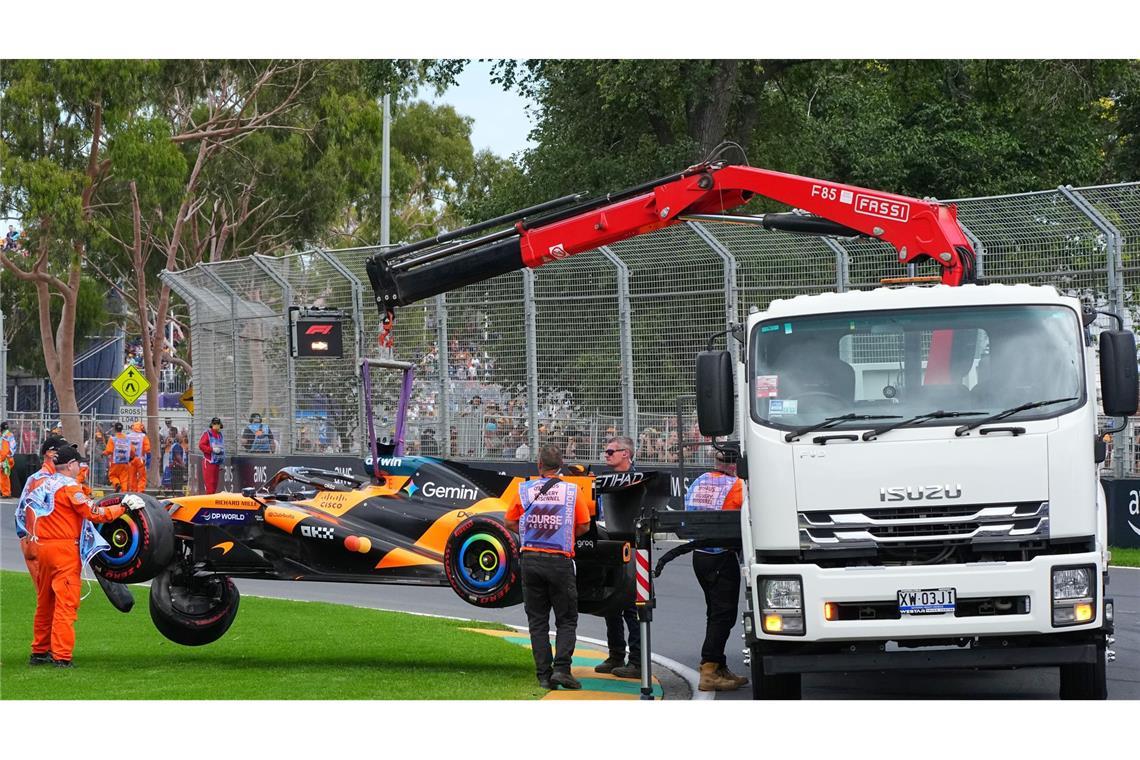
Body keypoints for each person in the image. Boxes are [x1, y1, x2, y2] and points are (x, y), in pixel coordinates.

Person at [24, 445, 136, 667]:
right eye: (79, 463)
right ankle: (62, 657)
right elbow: (93, 513)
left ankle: (39, 651)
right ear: (72, 465)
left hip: (41, 547)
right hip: (63, 550)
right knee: (66, 604)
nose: (81, 467)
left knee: (45, 602)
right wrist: (122, 508)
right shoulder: (69, 488)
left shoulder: (40, 482)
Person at [504, 444, 591, 690]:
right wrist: (562, 531)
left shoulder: (524, 490)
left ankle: (544, 675)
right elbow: (584, 526)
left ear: (539, 465)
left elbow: (509, 522)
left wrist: (530, 530)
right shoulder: (572, 491)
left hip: (530, 559)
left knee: (537, 620)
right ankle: (562, 670)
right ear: (561, 464)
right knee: (566, 619)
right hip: (560, 561)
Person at [684, 445, 749, 691]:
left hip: (699, 555)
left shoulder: (700, 481)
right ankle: (710, 669)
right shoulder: (737, 486)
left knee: (714, 611)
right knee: (724, 614)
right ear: (735, 465)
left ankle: (720, 665)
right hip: (722, 555)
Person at [595, 435, 642, 679]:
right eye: (606, 451)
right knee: (609, 601)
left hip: (633, 550)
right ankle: (615, 653)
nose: (607, 454)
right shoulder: (603, 480)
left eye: (611, 451)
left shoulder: (640, 481)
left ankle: (636, 660)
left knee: (633, 606)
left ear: (626, 453)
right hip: (608, 546)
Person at [16, 434, 69, 586]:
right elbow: (23, 514)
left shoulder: (56, 479)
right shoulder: (40, 479)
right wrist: (31, 542)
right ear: (50, 453)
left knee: (55, 597)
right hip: (40, 543)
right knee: (50, 596)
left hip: (47, 543)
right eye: (61, 451)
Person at [103, 421, 133, 492]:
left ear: (114, 429)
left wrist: (103, 453)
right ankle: (124, 493)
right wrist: (131, 457)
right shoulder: (127, 438)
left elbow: (109, 451)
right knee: (124, 478)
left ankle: (116, 484)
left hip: (115, 462)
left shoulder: (112, 438)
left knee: (112, 475)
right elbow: (132, 450)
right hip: (125, 462)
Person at [198, 417, 225, 494]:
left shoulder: (220, 435)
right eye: (214, 424)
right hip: (209, 462)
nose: (216, 425)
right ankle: (209, 503)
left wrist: (221, 462)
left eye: (218, 424)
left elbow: (222, 448)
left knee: (215, 484)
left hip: (217, 462)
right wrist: (211, 449)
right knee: (210, 485)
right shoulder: (207, 434)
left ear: (220, 425)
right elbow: (201, 445)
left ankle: (212, 502)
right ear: (212, 425)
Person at [127, 421, 151, 491]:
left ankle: (133, 491)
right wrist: (149, 459)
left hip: (130, 459)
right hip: (140, 459)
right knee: (142, 476)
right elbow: (147, 449)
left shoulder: (128, 436)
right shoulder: (144, 436)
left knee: (132, 476)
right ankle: (140, 491)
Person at [0, 421, 16, 497]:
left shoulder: (4, 437)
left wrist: (1, 460)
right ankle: (5, 491)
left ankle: (6, 493)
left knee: (4, 475)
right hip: (9, 457)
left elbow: (4, 450)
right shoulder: (10, 434)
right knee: (5, 475)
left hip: (5, 459)